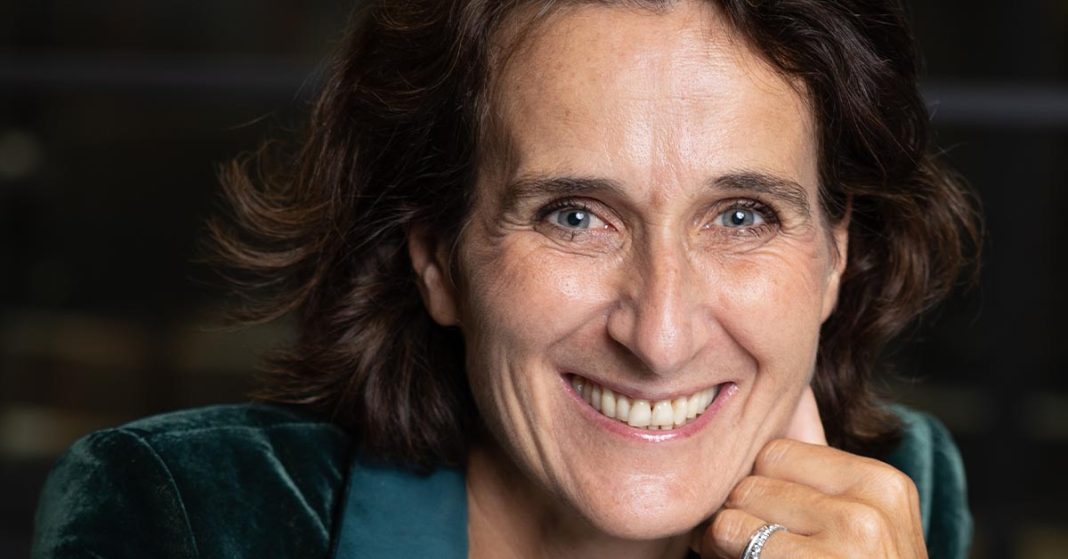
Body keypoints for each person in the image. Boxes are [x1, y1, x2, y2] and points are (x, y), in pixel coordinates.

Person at [33, 0, 979, 557]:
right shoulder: (190, 513)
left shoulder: (892, 499)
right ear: (437, 257)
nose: (660, 334)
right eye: (574, 215)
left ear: (835, 255)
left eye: (741, 216)